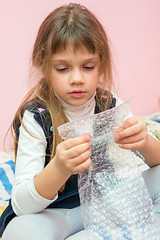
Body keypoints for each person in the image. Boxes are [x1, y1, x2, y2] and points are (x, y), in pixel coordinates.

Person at [1, 3, 160, 240]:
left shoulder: (109, 102)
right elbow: (22, 204)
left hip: (108, 204)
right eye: (63, 68)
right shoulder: (36, 116)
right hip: (57, 215)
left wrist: (144, 141)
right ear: (44, 65)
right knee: (18, 232)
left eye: (87, 67)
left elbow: (155, 161)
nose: (77, 79)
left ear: (101, 64)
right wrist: (59, 168)